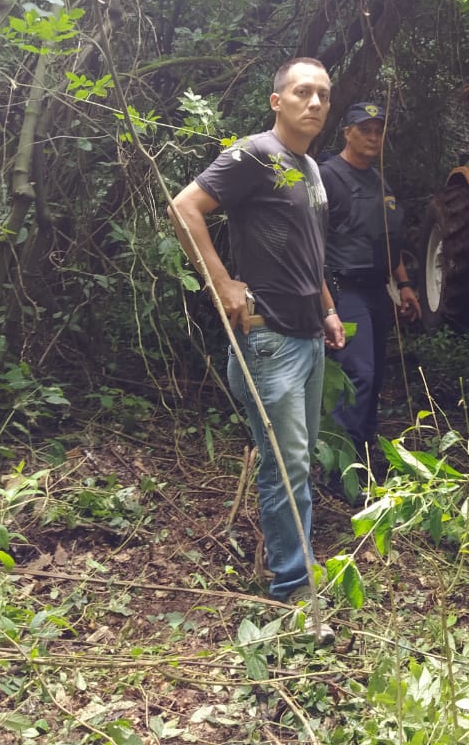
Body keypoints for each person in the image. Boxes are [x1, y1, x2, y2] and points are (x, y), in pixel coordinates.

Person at [169, 57, 345, 615]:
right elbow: (184, 207)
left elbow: (308, 252)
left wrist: (330, 309)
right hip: (269, 339)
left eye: (322, 94)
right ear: (277, 101)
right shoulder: (255, 154)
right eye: (301, 92)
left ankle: (298, 568)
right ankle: (294, 587)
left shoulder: (310, 169)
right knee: (286, 464)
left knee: (298, 458)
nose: (313, 102)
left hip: (309, 335)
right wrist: (221, 283)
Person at [319, 102, 420, 476]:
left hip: (378, 289)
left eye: (378, 130)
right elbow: (309, 242)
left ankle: (360, 455)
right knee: (356, 374)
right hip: (343, 289)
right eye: (365, 129)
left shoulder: (380, 180)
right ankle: (339, 472)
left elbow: (387, 240)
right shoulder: (328, 176)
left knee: (375, 376)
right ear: (347, 132)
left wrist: (405, 284)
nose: (373, 136)